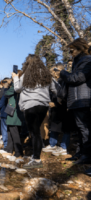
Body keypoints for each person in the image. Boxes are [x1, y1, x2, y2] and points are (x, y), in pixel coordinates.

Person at [13, 54, 57, 169]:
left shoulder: (26, 74)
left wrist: (15, 78)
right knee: (36, 131)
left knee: (34, 132)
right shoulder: (47, 74)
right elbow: (55, 89)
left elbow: (17, 89)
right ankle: (35, 156)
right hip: (43, 106)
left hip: (30, 105)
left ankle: (36, 159)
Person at [58, 38, 91, 168]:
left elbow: (78, 78)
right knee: (77, 130)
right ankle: (79, 154)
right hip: (75, 100)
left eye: (72, 51)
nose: (71, 54)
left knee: (84, 129)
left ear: (79, 49)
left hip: (82, 99)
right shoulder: (78, 62)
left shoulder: (87, 60)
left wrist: (62, 73)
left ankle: (87, 156)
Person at [42, 64, 72, 156]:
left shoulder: (65, 81)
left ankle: (63, 147)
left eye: (56, 70)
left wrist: (57, 103)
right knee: (54, 127)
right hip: (55, 108)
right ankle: (52, 144)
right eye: (53, 70)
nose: (53, 72)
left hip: (64, 107)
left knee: (66, 128)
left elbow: (66, 94)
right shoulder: (53, 81)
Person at [4, 78, 24, 158]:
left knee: (14, 132)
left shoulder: (16, 86)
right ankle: (9, 149)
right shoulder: (15, 85)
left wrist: (9, 84)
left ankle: (18, 152)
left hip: (14, 112)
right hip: (12, 111)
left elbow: (6, 93)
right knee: (10, 131)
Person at [0, 79, 11, 151]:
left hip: (4, 112)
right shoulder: (12, 89)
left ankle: (6, 145)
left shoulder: (6, 91)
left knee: (4, 130)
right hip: (11, 113)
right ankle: (9, 145)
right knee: (9, 130)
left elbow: (2, 101)